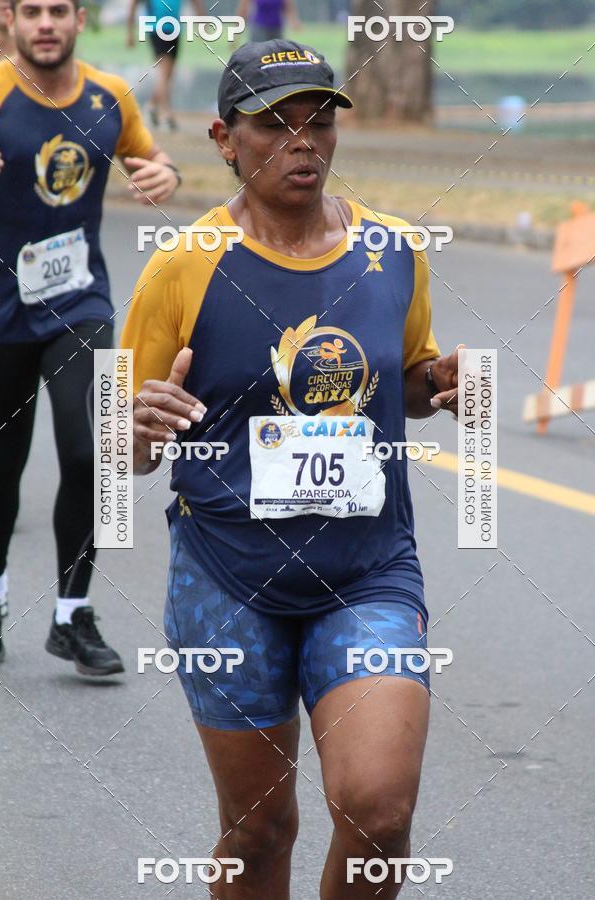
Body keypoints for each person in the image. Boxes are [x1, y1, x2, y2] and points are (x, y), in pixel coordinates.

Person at [122, 39, 460, 898]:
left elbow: (410, 379)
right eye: (273, 124)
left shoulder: (394, 253)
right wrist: (138, 427)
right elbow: (118, 448)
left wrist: (436, 383)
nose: (301, 140)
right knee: (260, 829)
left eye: (317, 119)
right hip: (228, 580)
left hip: (369, 573)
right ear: (223, 138)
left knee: (380, 813)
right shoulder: (182, 266)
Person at [0, 0, 182, 671]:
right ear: (11, 20)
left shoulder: (110, 98)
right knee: (2, 468)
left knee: (92, 452)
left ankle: (72, 615)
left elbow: (154, 158)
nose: (46, 24)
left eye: (59, 11)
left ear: (79, 21)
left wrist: (167, 173)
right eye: (33, 11)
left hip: (79, 303)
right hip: (0, 313)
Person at [126, 0, 205, 132]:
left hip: (175, 29)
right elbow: (134, 4)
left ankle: (151, 106)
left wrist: (201, 21)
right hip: (157, 28)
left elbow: (196, 2)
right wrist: (130, 32)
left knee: (168, 74)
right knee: (164, 71)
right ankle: (167, 114)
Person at [236, 0, 300, 42]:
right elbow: (243, 10)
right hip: (259, 28)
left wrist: (294, 21)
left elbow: (289, 7)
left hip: (277, 29)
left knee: (277, 56)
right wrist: (236, 34)